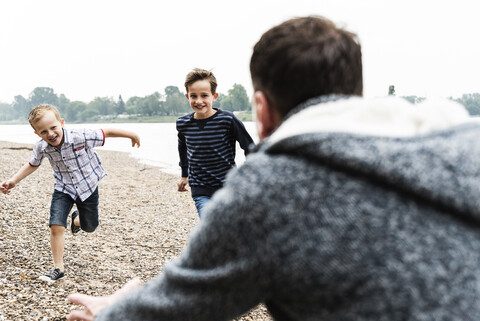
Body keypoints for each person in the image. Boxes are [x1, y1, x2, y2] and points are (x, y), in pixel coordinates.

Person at [68, 16, 480, 321]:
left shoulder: (270, 188)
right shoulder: (466, 145)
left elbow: (184, 306)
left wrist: (113, 311)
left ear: (261, 110)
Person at [0, 104, 140, 283]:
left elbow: (107, 132)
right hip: (63, 188)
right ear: (37, 134)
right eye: (43, 132)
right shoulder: (42, 147)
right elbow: (32, 164)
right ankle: (58, 268)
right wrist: (13, 181)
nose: (50, 134)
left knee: (90, 226)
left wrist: (131, 134)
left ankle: (77, 219)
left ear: (62, 123)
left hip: (88, 186)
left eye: (53, 128)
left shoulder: (80, 136)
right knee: (56, 225)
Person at [176, 68, 254, 217]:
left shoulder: (228, 120)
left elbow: (249, 147)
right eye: (194, 96)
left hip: (228, 186)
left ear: (214, 96)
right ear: (187, 96)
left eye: (204, 95)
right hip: (200, 188)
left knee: (228, 224)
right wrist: (184, 175)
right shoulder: (183, 123)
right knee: (209, 220)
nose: (199, 101)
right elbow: (182, 148)